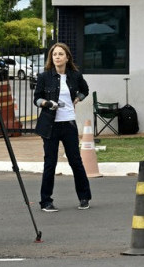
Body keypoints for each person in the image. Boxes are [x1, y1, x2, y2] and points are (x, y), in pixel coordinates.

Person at [33, 42, 92, 212]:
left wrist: (78, 98)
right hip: (50, 125)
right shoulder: (44, 77)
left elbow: (85, 90)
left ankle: (84, 197)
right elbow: (36, 98)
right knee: (50, 163)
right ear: (51, 58)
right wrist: (46, 103)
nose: (57, 57)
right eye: (54, 54)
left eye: (60, 54)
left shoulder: (75, 75)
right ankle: (46, 201)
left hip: (69, 124)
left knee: (75, 161)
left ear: (67, 57)